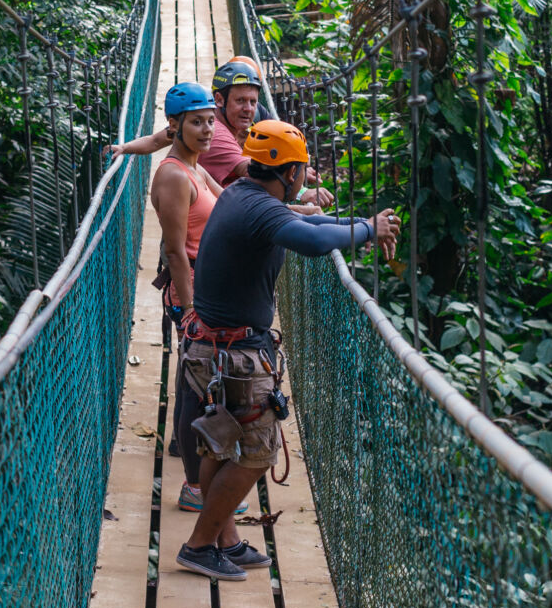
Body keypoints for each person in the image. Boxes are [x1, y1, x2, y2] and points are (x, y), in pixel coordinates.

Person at [173, 120, 399, 581]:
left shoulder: (243, 194)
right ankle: (199, 546)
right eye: (304, 169)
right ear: (292, 171)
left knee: (223, 438)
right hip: (233, 354)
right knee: (257, 454)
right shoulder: (258, 209)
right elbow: (314, 241)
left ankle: (225, 540)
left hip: (214, 348)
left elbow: (308, 222)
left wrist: (360, 226)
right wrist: (369, 229)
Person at [142, 81, 245, 515]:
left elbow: (233, 208)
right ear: (174, 126)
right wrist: (188, 313)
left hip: (212, 292)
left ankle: (204, 479)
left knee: (204, 387)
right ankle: (194, 488)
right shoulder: (172, 174)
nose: (206, 130)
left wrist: (297, 212)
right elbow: (173, 251)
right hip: (194, 297)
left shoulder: (194, 167)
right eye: (196, 123)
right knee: (192, 391)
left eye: (208, 121)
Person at [112, 59, 333, 207]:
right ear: (219, 100)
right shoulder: (213, 132)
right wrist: (299, 184)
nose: (248, 109)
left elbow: (154, 140)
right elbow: (257, 172)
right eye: (240, 101)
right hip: (197, 235)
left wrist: (124, 147)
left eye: (253, 102)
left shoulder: (197, 123)